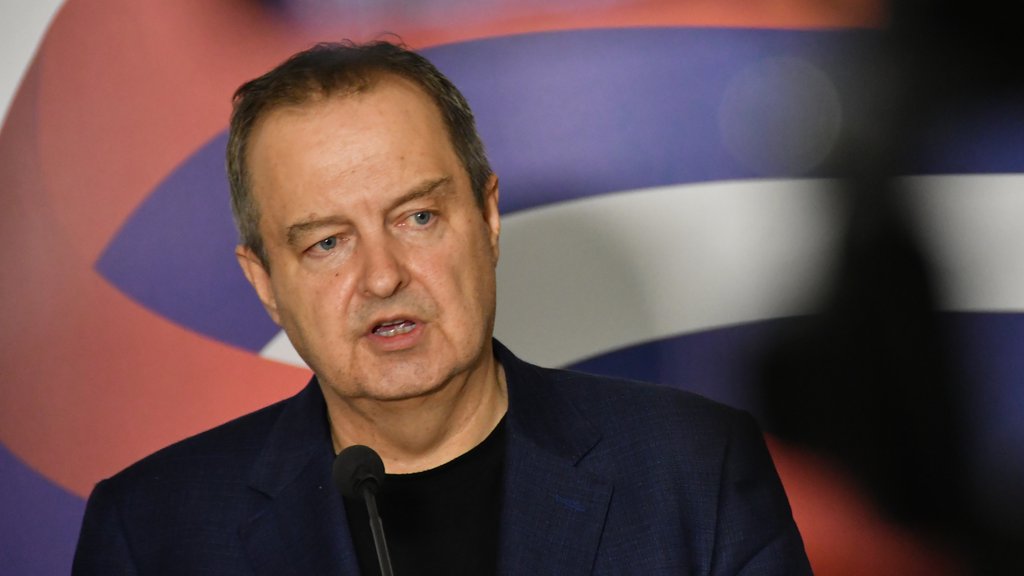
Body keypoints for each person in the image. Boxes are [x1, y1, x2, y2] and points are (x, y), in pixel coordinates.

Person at [72, 41, 812, 575]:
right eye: (327, 243)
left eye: (417, 217)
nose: (382, 276)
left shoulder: (692, 468)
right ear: (264, 282)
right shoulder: (154, 530)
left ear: (487, 219)